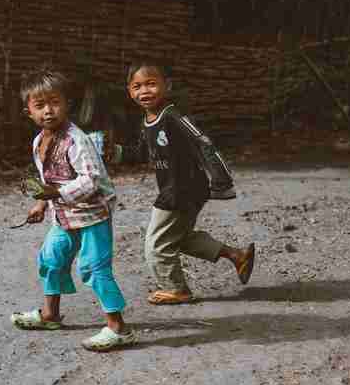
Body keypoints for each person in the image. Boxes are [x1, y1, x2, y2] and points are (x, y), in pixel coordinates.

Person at [108, 60, 256, 305]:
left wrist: (221, 181)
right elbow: (145, 153)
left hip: (182, 190)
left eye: (151, 84)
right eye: (137, 86)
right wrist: (117, 152)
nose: (144, 91)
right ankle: (237, 256)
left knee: (156, 244)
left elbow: (203, 143)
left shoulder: (174, 116)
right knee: (178, 237)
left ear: (168, 86)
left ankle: (176, 288)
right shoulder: (148, 119)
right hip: (175, 189)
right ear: (129, 91)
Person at [10, 67, 137, 352]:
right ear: (28, 111)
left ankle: (119, 328)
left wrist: (55, 193)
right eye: (40, 105)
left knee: (94, 267)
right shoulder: (39, 141)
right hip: (64, 216)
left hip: (93, 216)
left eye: (54, 103)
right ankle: (50, 314)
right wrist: (41, 203)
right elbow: (48, 178)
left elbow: (91, 180)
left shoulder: (76, 140)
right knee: (51, 259)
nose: (48, 111)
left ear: (67, 104)